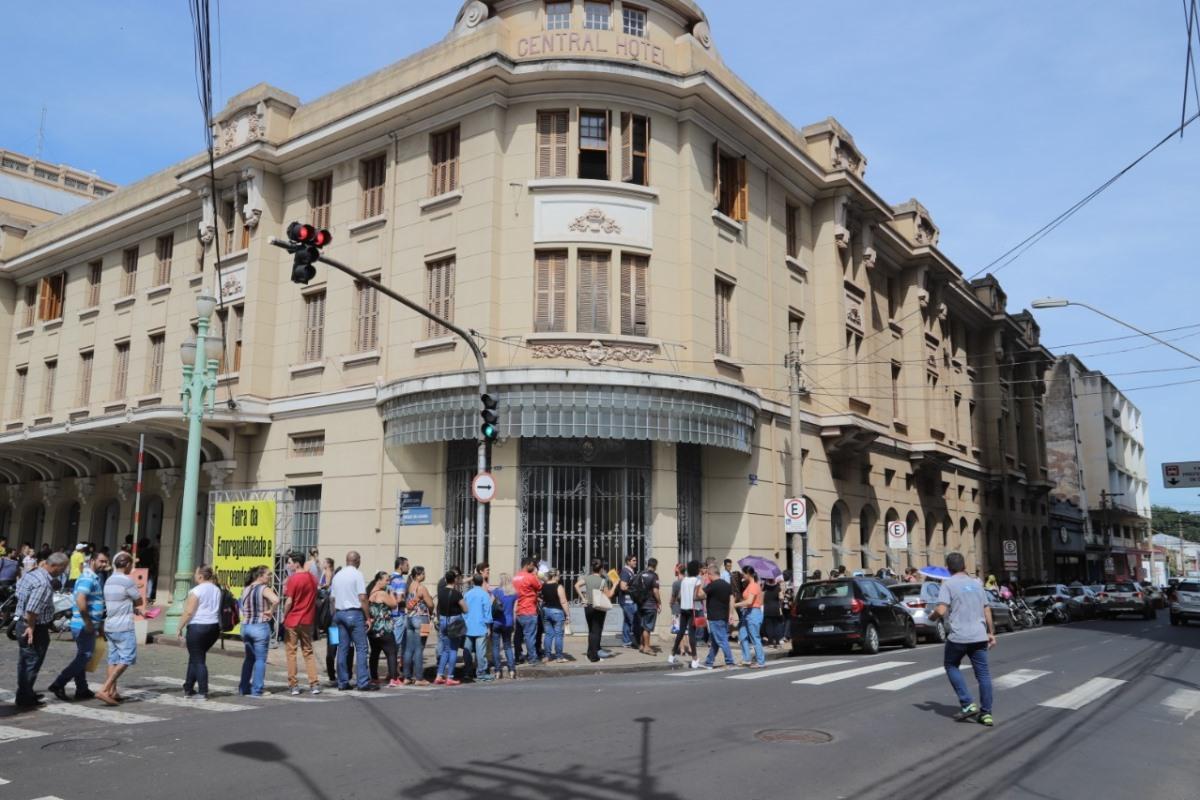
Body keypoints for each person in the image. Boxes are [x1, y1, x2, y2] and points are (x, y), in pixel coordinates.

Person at [929, 551, 996, 727]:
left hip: (959, 637)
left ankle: (967, 703)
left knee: (951, 665)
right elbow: (986, 609)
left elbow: (942, 610)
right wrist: (991, 632)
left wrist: (932, 616)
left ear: (947, 569)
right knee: (983, 675)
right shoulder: (976, 584)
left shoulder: (948, 584)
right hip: (979, 636)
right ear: (965, 566)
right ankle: (986, 714)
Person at [48, 550, 109, 702]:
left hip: (88, 624)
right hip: (83, 625)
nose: (104, 565)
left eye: (106, 562)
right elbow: (81, 600)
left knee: (82, 655)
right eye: (101, 561)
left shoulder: (93, 577)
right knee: (84, 656)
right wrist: (88, 622)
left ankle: (81, 688)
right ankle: (59, 683)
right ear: (92, 561)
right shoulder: (88, 578)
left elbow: (92, 602)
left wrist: (99, 625)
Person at [13, 552, 69, 708]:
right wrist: (31, 627)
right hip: (34, 626)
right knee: (31, 661)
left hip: (24, 623)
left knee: (26, 661)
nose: (63, 571)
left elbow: (18, 592)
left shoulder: (32, 574)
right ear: (55, 566)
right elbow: (32, 610)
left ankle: (26, 692)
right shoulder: (44, 582)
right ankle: (24, 698)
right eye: (63, 568)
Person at [97, 552, 142, 706]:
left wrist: (130, 606)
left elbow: (121, 601)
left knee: (113, 659)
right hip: (124, 626)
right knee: (127, 658)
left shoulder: (109, 580)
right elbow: (139, 600)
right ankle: (105, 689)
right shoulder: (127, 581)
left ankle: (113, 692)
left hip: (110, 625)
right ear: (127, 565)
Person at [330, 551, 378, 691]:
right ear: (357, 560)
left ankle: (342, 681)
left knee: (342, 649)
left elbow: (332, 599)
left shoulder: (337, 576)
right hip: (354, 613)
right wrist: (368, 617)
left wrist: (335, 614)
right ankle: (362, 682)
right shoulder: (357, 574)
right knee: (362, 648)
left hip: (339, 613)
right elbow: (362, 598)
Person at [177, 565, 222, 699]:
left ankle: (203, 691)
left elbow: (189, 611)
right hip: (213, 627)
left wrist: (179, 627)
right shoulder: (216, 589)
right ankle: (188, 687)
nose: (194, 576)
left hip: (198, 627)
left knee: (198, 660)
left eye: (196, 574)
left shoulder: (196, 591)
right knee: (196, 657)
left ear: (201, 576)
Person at [281, 553, 321, 696]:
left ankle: (293, 685)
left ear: (297, 563)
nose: (288, 565)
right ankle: (314, 683)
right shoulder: (312, 578)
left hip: (293, 619)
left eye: (290, 562)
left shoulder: (293, 579)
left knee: (291, 652)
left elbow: (289, 601)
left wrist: (284, 615)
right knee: (308, 652)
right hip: (308, 620)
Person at [238, 565, 278, 697]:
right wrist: (270, 611)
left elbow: (241, 607)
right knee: (260, 659)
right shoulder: (263, 588)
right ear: (260, 576)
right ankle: (257, 689)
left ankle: (243, 688)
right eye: (268, 574)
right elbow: (276, 600)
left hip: (246, 626)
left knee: (249, 659)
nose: (270, 577)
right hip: (259, 626)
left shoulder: (245, 589)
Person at [576, 559, 615, 662]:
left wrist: (583, 598)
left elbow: (576, 586)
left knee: (591, 631)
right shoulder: (603, 581)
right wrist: (615, 584)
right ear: (601, 569)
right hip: (598, 607)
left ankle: (590, 652)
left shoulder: (587, 578)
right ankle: (594, 656)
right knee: (596, 632)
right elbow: (609, 595)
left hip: (588, 606)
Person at [365, 572, 399, 686]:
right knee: (391, 652)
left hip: (373, 629)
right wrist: (393, 593)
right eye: (386, 580)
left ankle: (374, 677)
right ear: (378, 580)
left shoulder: (370, 592)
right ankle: (394, 678)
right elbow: (394, 605)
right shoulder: (383, 594)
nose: (388, 582)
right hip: (384, 628)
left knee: (375, 653)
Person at [402, 566, 434, 686]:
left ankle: (407, 676)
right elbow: (430, 604)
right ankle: (419, 677)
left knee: (409, 649)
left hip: (410, 619)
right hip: (422, 619)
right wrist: (431, 605)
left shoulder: (409, 586)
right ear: (418, 575)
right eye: (423, 573)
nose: (424, 575)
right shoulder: (421, 588)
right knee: (420, 648)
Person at [435, 569, 468, 685]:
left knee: (445, 649)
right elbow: (465, 609)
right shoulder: (457, 594)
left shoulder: (441, 592)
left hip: (443, 620)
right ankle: (450, 676)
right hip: (454, 622)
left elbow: (438, 607)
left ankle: (439, 675)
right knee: (454, 649)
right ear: (454, 580)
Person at [700, 564, 735, 669]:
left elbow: (701, 594)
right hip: (724, 616)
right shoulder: (727, 585)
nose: (707, 577)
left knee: (722, 640)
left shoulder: (713, 585)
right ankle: (709, 662)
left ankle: (730, 662)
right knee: (716, 641)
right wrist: (731, 614)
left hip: (715, 617)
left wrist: (702, 582)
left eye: (708, 575)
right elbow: (732, 599)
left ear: (710, 574)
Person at [669, 560, 702, 668]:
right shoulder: (697, 581)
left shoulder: (684, 581)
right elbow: (698, 595)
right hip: (693, 609)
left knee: (681, 632)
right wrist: (704, 596)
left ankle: (672, 654)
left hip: (683, 609)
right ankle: (694, 658)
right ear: (697, 569)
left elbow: (678, 597)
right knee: (692, 634)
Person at [512, 558, 543, 666]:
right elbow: (539, 586)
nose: (534, 567)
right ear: (528, 565)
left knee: (518, 636)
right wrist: (536, 576)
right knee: (530, 636)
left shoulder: (515, 577)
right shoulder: (530, 577)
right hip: (529, 609)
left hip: (519, 610)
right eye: (532, 565)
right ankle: (532, 658)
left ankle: (517, 656)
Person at [735, 566, 766, 668]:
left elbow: (749, 601)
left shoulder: (753, 586)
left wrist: (735, 605)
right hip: (747, 613)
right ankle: (747, 659)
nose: (742, 575)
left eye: (743, 573)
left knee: (754, 637)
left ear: (748, 574)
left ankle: (761, 662)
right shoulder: (749, 585)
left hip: (753, 613)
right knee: (742, 634)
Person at [465, 574, 494, 681]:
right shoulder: (484, 595)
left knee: (467, 650)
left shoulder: (467, 594)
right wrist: (488, 626)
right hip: (481, 626)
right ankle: (481, 672)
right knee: (481, 652)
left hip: (468, 626)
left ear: (473, 582)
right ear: (482, 582)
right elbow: (487, 612)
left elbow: (464, 610)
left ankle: (467, 672)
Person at [491, 573, 518, 679]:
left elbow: (490, 606)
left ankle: (498, 671)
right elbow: (515, 611)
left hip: (497, 622)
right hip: (508, 622)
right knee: (507, 647)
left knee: (496, 647)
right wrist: (514, 623)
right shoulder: (514, 594)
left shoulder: (496, 592)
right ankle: (512, 670)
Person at [540, 569, 570, 663]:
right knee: (558, 635)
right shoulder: (558, 586)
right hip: (557, 612)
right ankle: (559, 657)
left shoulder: (543, 586)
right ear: (554, 576)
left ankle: (547, 656)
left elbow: (541, 597)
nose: (559, 577)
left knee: (548, 635)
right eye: (559, 575)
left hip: (546, 610)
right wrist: (568, 615)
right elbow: (563, 601)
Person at [633, 558, 661, 656]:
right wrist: (659, 602)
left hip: (641, 604)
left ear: (648, 564)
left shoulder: (640, 574)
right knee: (647, 627)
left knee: (643, 625)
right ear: (655, 565)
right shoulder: (654, 576)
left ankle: (641, 645)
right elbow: (655, 591)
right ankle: (647, 647)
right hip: (650, 604)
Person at [388, 556, 410, 672]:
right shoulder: (401, 581)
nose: (408, 567)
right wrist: (409, 603)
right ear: (400, 566)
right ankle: (394, 671)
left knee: (394, 642)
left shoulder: (389, 578)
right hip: (399, 615)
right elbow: (400, 599)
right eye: (407, 565)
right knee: (398, 643)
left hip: (389, 615)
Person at [762, 577, 784, 648]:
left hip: (767, 609)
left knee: (769, 626)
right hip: (775, 608)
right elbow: (781, 598)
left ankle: (770, 642)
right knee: (776, 625)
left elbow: (761, 597)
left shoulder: (765, 588)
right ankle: (777, 642)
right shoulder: (778, 588)